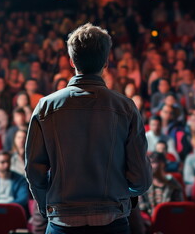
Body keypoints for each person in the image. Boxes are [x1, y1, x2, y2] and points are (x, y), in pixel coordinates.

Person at [25, 23, 152, 233]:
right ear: (106, 62)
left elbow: (34, 171)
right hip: (112, 219)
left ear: (71, 61)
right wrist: (124, 194)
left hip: (62, 220)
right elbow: (140, 179)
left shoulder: (45, 106)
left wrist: (48, 207)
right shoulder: (125, 107)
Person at [139, 152, 183, 217]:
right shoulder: (144, 184)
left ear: (162, 164)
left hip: (170, 219)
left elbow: (179, 207)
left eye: (153, 162)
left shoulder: (172, 184)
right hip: (149, 220)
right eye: (148, 163)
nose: (150, 166)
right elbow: (141, 207)